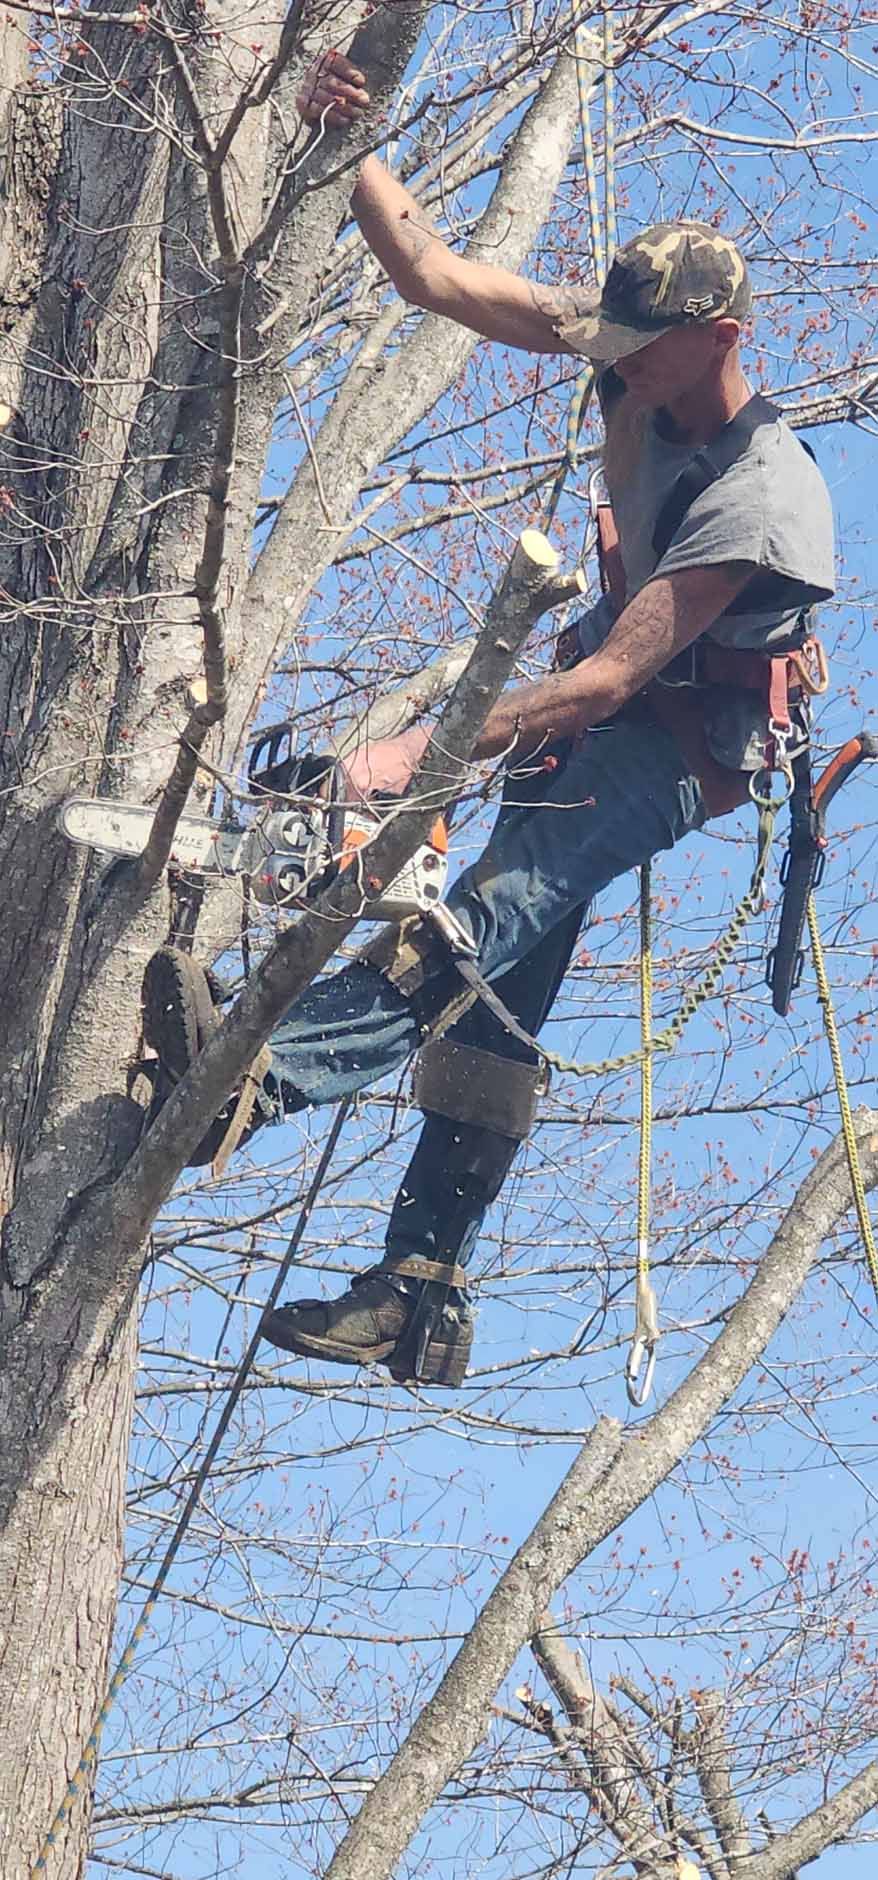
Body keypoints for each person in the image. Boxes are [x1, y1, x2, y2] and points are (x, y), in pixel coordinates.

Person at [142, 52, 835, 1388]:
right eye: (614, 347)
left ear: (724, 337)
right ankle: (419, 1293)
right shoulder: (637, 353)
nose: (621, 372)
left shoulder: (769, 496)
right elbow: (437, 278)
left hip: (674, 749)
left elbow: (608, 686)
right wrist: (347, 142)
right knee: (496, 1002)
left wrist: (409, 757)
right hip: (599, 714)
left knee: (477, 924)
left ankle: (250, 1080)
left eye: (649, 355)